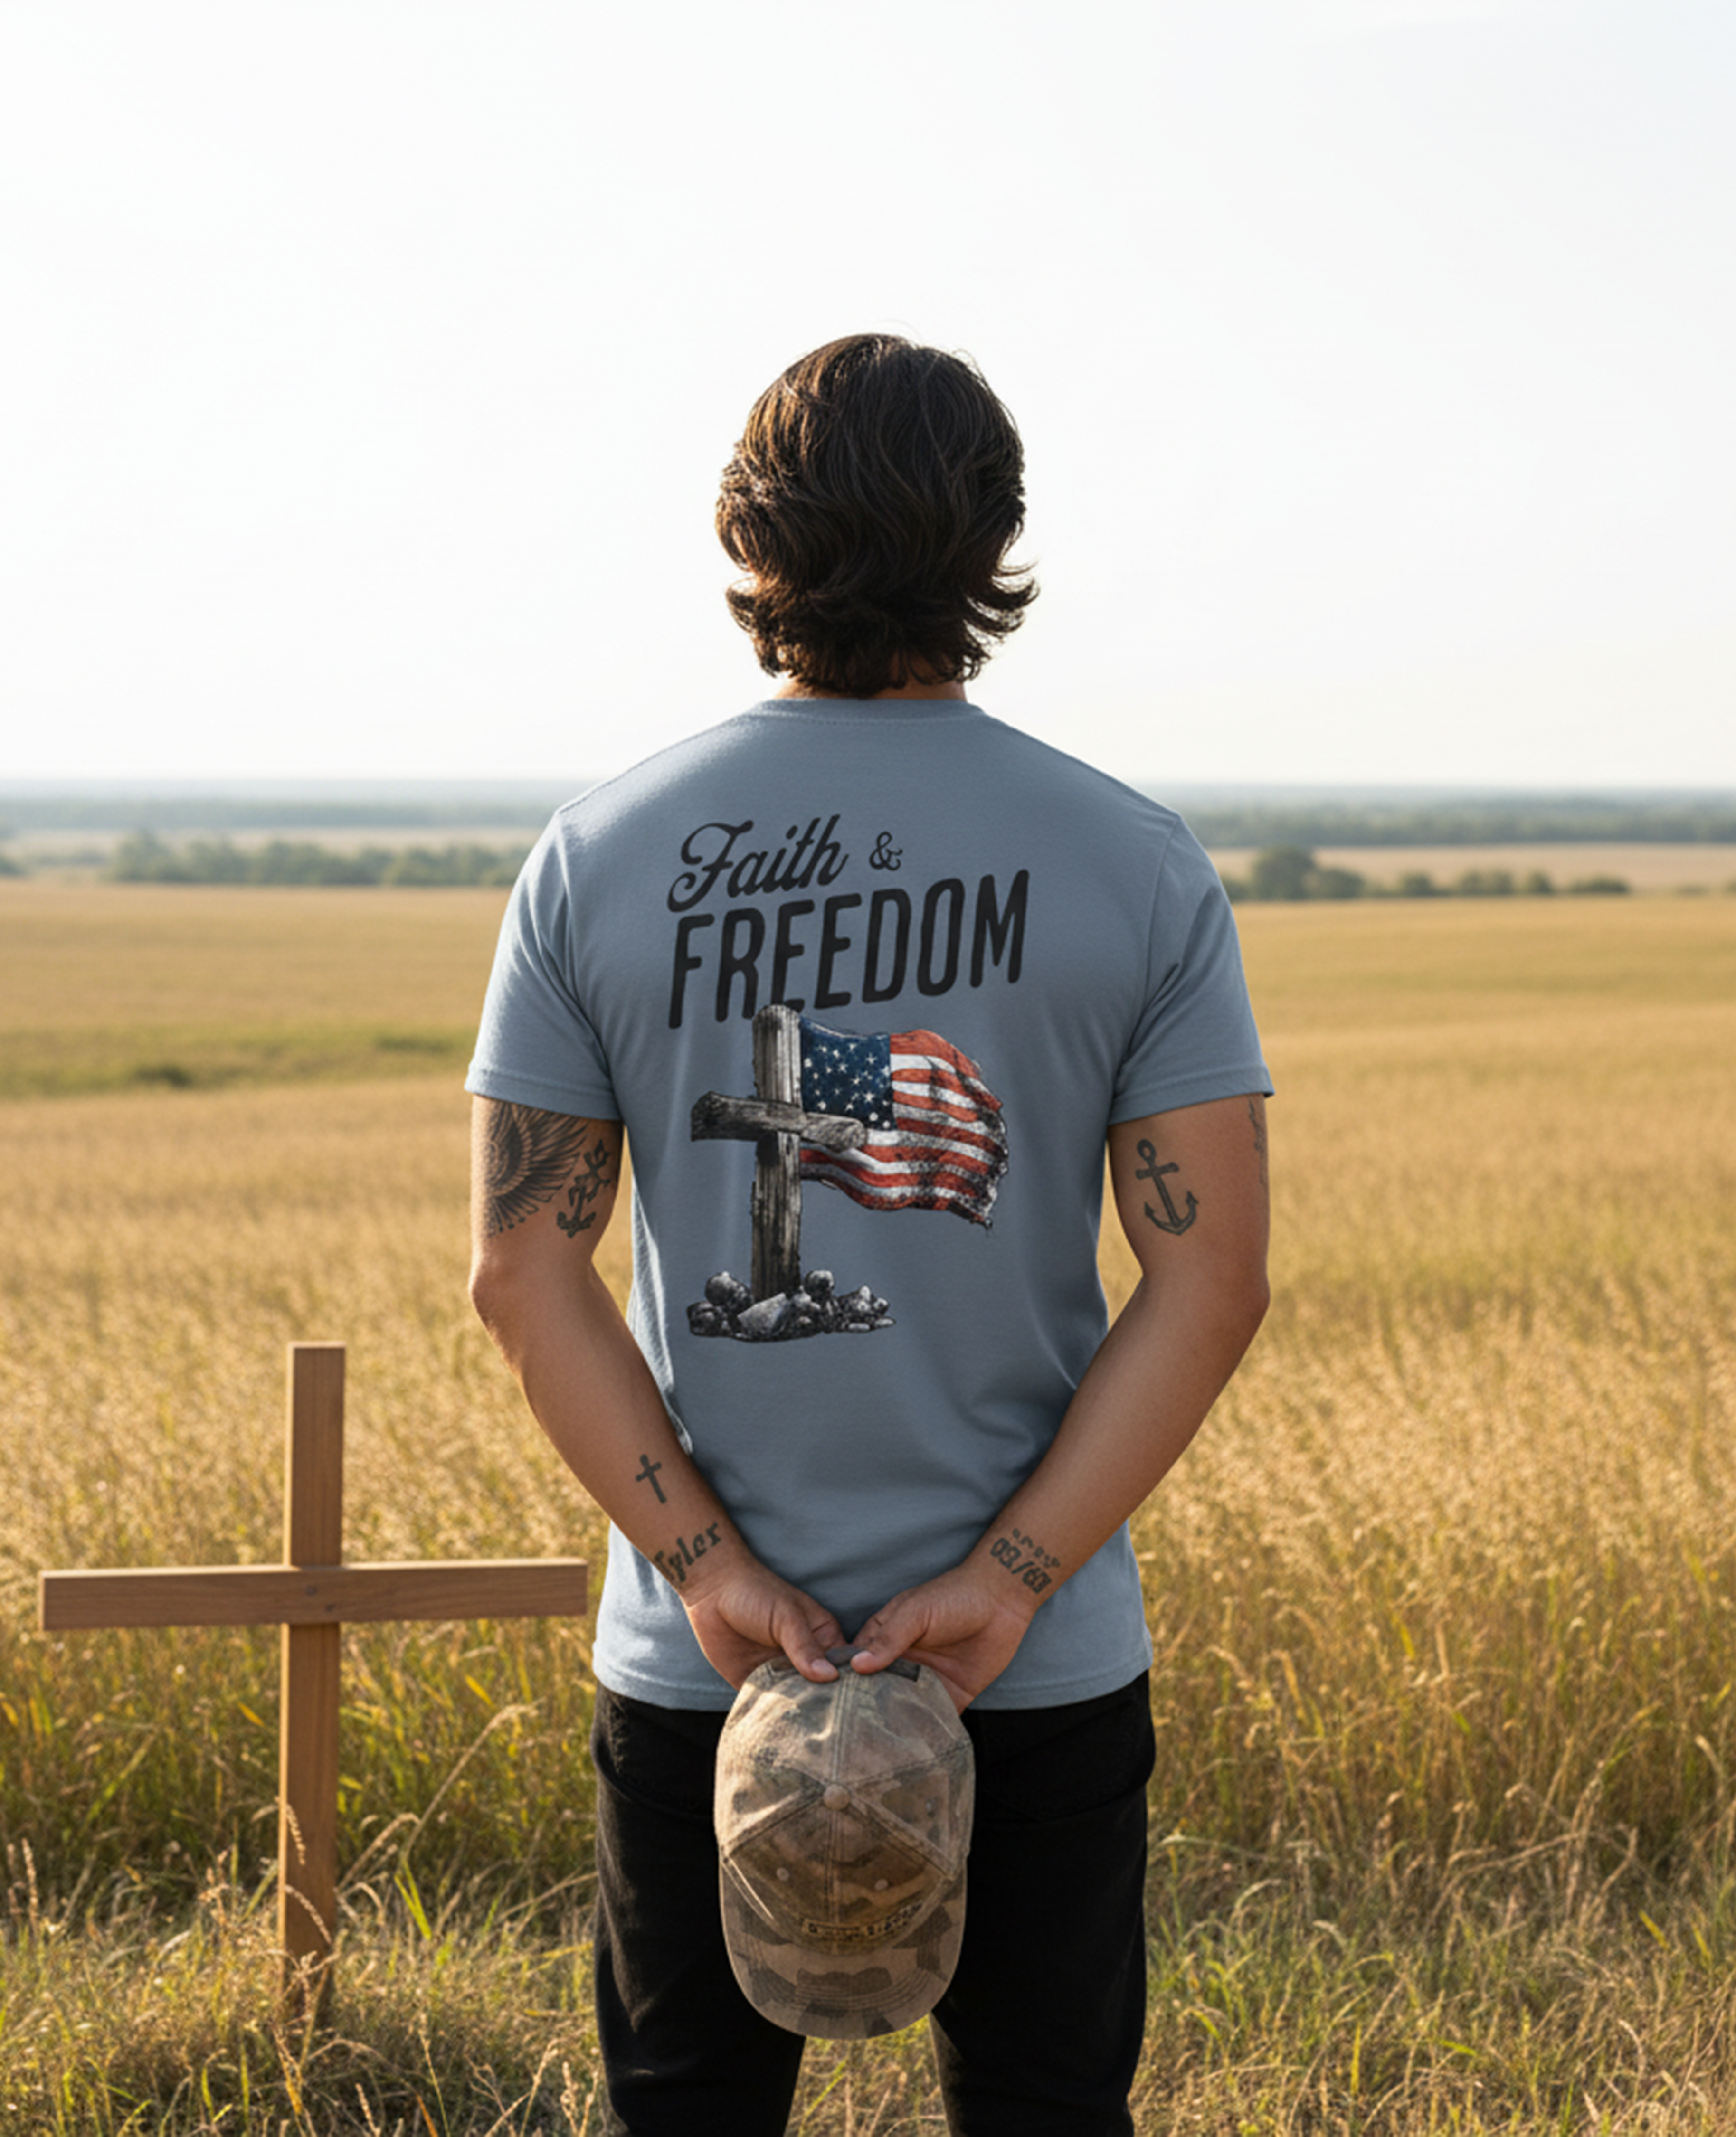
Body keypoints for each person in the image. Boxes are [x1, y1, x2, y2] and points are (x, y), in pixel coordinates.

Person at [466, 332, 1271, 2136]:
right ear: (991, 540)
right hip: (1033, 1658)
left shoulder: (598, 854)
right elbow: (1210, 1275)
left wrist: (704, 1570)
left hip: (707, 1663)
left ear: (748, 535)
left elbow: (522, 1270)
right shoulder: (1132, 859)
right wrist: (1011, 1580)